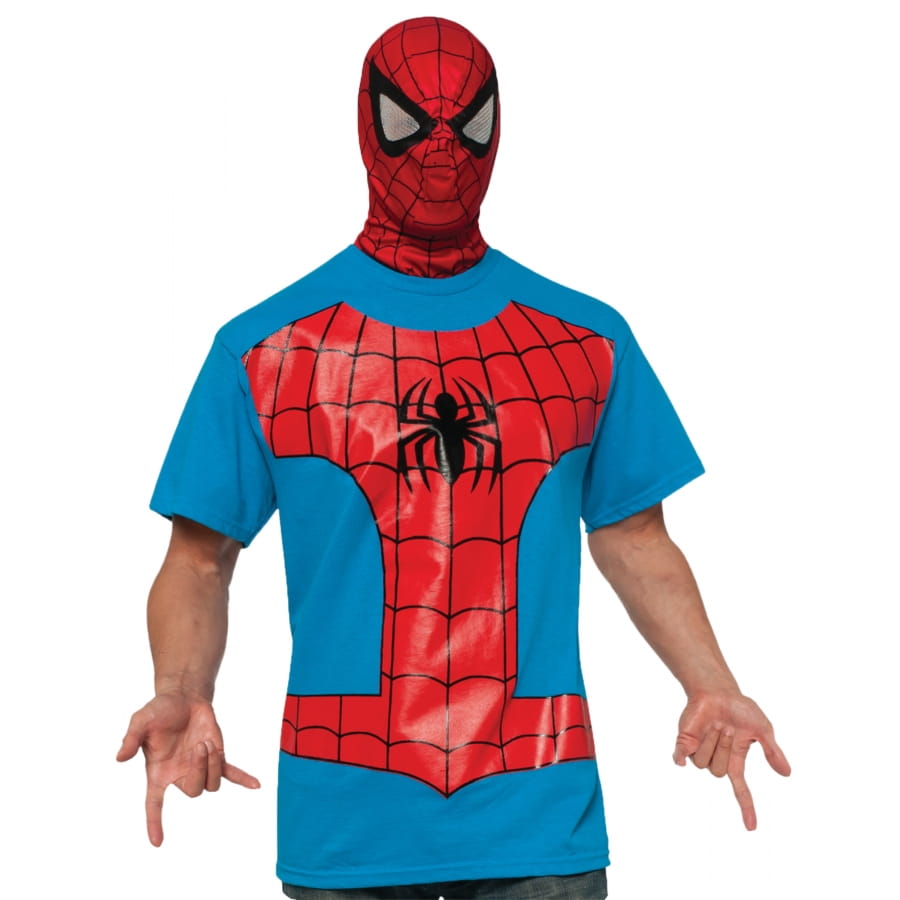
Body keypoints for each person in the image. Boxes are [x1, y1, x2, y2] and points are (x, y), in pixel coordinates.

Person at [117, 17, 790, 900]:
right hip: (345, 817)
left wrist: (711, 682)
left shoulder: (585, 341)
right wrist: (179, 687)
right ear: (368, 123)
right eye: (411, 123)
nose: (442, 151)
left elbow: (634, 538)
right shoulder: (266, 349)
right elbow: (199, 559)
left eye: (467, 124)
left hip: (540, 814)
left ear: (498, 128)